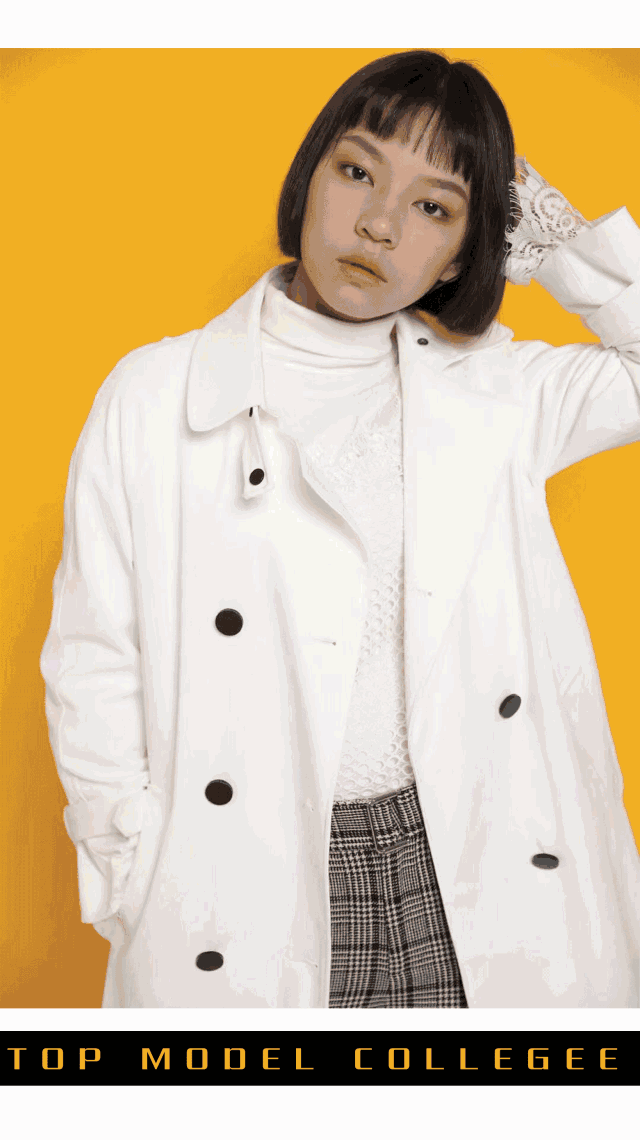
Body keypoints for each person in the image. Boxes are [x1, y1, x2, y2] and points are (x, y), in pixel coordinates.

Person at [40, 50, 640, 1009]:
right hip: (254, 874)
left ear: (467, 251)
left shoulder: (496, 389)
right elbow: (94, 657)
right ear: (310, 174)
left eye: (435, 207)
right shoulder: (153, 395)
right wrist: (132, 868)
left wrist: (562, 247)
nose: (380, 224)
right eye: (358, 171)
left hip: (475, 865)